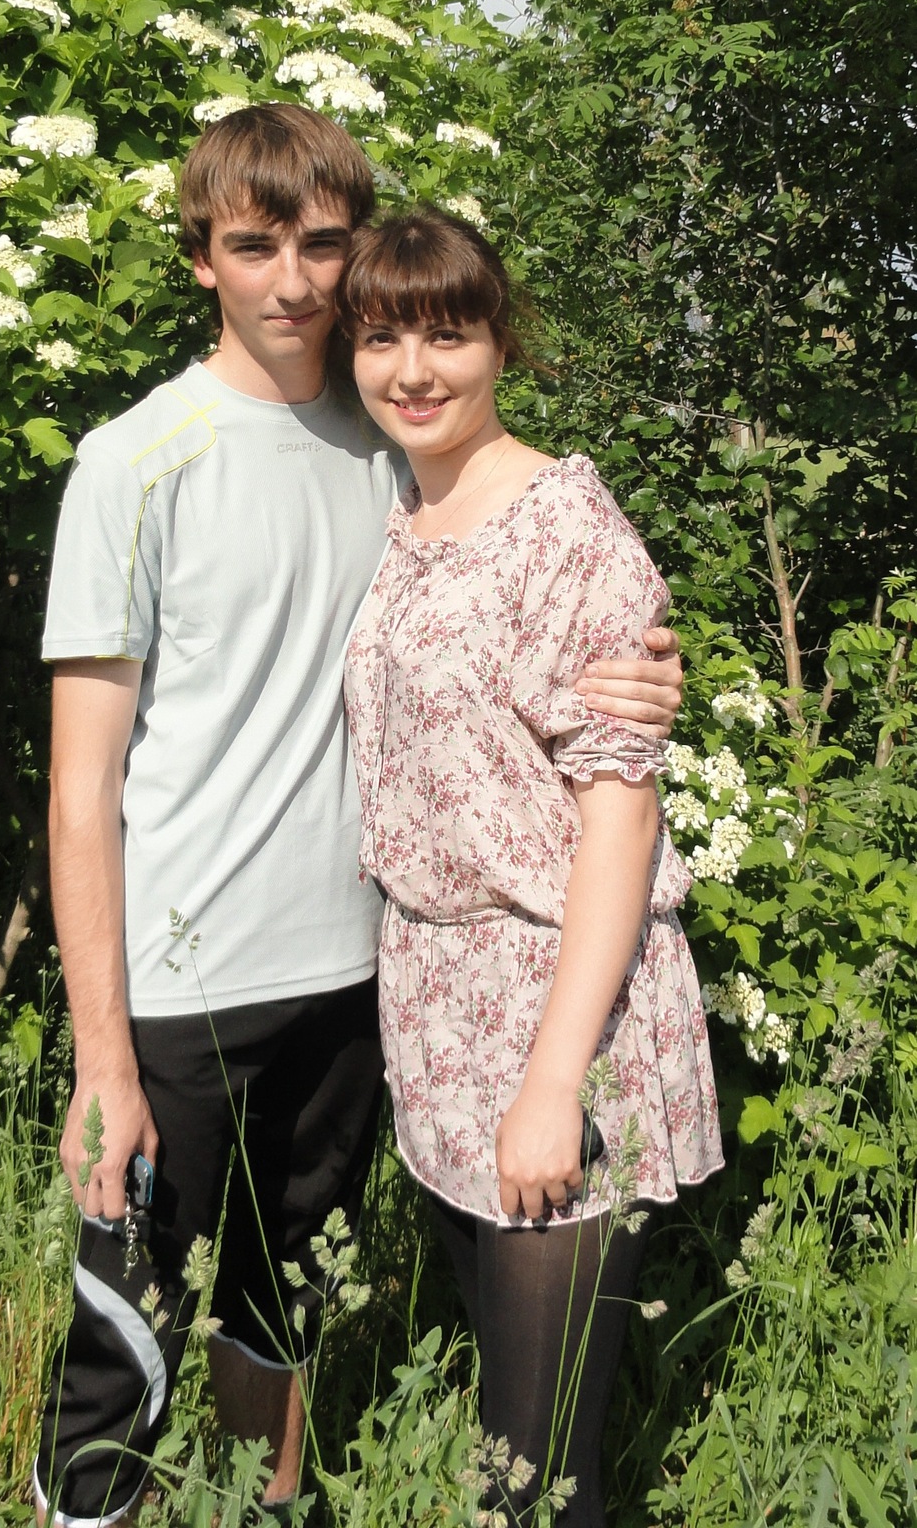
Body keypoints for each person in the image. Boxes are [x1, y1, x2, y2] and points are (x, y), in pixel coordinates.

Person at [32, 107, 688, 1527]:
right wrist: (101, 1053)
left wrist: (639, 682)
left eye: (322, 246)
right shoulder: (133, 463)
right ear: (200, 258)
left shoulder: (390, 443)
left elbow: (548, 633)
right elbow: (81, 789)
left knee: (280, 1310)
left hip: (355, 980)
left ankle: (274, 1510)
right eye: (252, 247)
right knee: (123, 1343)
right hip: (182, 990)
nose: (293, 282)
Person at [338, 207, 723, 1528]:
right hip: (439, 1009)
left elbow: (619, 820)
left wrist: (554, 1085)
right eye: (381, 338)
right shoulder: (405, 509)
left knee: (538, 1478)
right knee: (512, 1435)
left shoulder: (570, 533)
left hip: (557, 1008)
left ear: (504, 343)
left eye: (448, 335)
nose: (413, 371)